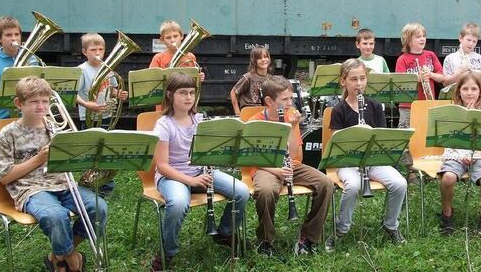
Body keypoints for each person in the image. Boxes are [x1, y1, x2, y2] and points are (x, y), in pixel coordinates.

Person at [0, 76, 107, 272]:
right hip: (30, 189)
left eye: (45, 101)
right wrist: (38, 159)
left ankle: (58, 256)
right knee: (55, 215)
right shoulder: (8, 133)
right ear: (19, 104)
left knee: (99, 208)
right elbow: (5, 177)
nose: (41, 107)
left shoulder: (55, 127)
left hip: (63, 183)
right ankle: (71, 257)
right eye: (34, 102)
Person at [151, 72, 250, 270]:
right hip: (172, 176)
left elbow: (208, 153)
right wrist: (191, 181)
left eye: (191, 93)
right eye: (183, 93)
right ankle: (166, 252)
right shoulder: (163, 125)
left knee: (241, 192)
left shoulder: (199, 120)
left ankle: (224, 232)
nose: (188, 97)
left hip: (199, 172)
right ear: (170, 95)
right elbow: (162, 166)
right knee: (178, 204)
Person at [325, 59, 407, 250]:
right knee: (353, 186)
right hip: (349, 163)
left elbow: (383, 139)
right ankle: (341, 230)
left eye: (362, 78)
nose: (359, 83)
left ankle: (390, 225)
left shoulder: (375, 106)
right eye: (354, 79)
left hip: (374, 161)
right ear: (343, 81)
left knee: (399, 183)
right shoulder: (339, 110)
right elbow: (337, 145)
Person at [249, 76, 334, 256]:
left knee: (326, 184)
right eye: (285, 99)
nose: (290, 102)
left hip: (291, 164)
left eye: (291, 98)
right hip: (266, 168)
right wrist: (277, 171)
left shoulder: (290, 116)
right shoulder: (255, 122)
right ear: (269, 101)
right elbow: (251, 158)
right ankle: (265, 240)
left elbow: (295, 154)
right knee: (265, 191)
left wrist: (293, 126)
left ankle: (308, 237)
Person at [437, 71, 481, 236]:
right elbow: (448, 139)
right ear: (458, 91)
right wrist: (461, 154)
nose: (469, 93)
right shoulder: (451, 112)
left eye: (474, 89)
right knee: (448, 178)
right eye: (465, 89)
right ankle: (447, 214)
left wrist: (476, 154)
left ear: (480, 92)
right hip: (456, 153)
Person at [75, 33, 128, 196]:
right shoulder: (82, 70)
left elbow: (111, 89)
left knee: (106, 151)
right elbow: (74, 94)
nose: (98, 52)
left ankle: (106, 185)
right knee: (92, 151)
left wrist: (117, 94)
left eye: (101, 49)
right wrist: (86, 104)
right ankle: (89, 183)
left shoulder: (108, 69)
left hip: (106, 116)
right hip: (89, 117)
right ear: (85, 52)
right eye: (93, 49)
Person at [395, 22, 446, 129]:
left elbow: (442, 77)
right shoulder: (402, 59)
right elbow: (400, 82)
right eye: (418, 37)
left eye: (424, 36)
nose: (422, 39)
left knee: (426, 132)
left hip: (427, 103)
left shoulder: (431, 55)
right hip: (408, 105)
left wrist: (430, 74)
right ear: (408, 40)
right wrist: (418, 78)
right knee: (407, 133)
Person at [230, 46, 272, 116]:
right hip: (249, 111)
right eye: (259, 58)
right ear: (254, 61)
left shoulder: (271, 79)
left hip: (265, 112)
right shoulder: (248, 77)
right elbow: (233, 92)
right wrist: (237, 112)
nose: (263, 60)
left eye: (265, 57)